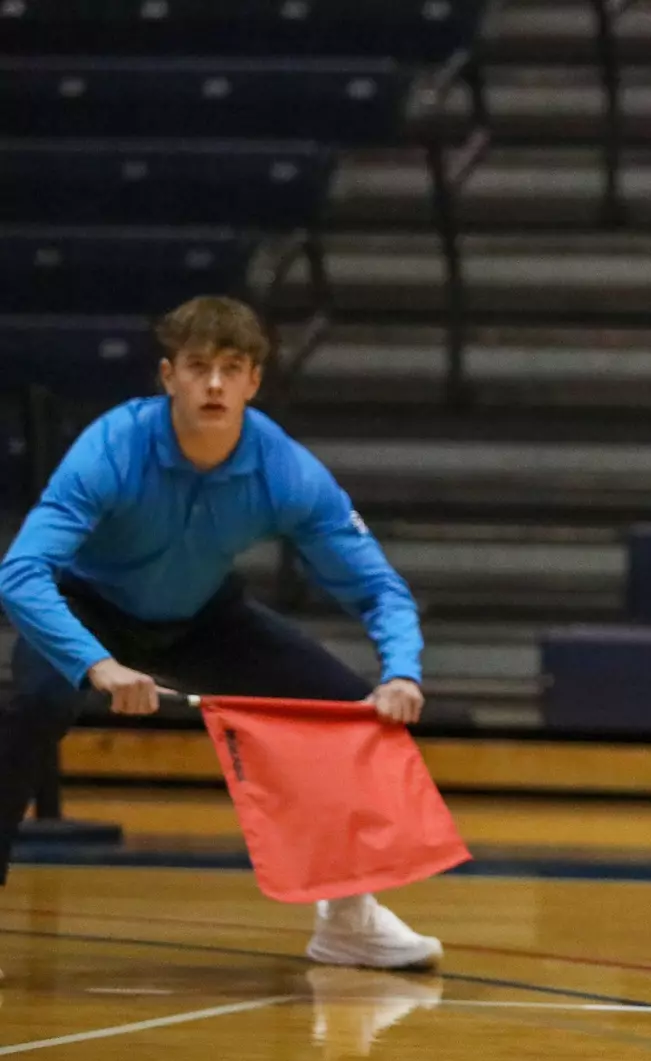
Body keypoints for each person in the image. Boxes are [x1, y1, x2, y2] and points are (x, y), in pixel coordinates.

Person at [0, 296, 442, 972]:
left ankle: (348, 919)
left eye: (231, 368)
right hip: (88, 607)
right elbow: (22, 572)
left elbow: (377, 587)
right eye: (198, 366)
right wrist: (96, 665)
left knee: (346, 710)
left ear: (253, 383)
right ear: (168, 375)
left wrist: (403, 671)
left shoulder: (284, 469)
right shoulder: (112, 448)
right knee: (33, 708)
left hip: (202, 616)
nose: (213, 384)